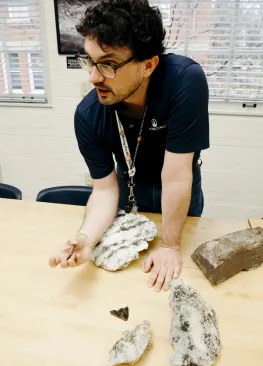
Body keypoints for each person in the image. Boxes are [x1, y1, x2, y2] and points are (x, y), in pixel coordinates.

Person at [49, 0, 209, 292]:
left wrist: (171, 246)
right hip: (129, 186)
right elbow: (104, 189)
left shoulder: (185, 80)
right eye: (90, 60)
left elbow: (176, 176)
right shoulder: (88, 115)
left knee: (176, 271)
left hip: (178, 183)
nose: (94, 76)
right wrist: (85, 240)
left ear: (148, 65)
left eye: (108, 64)